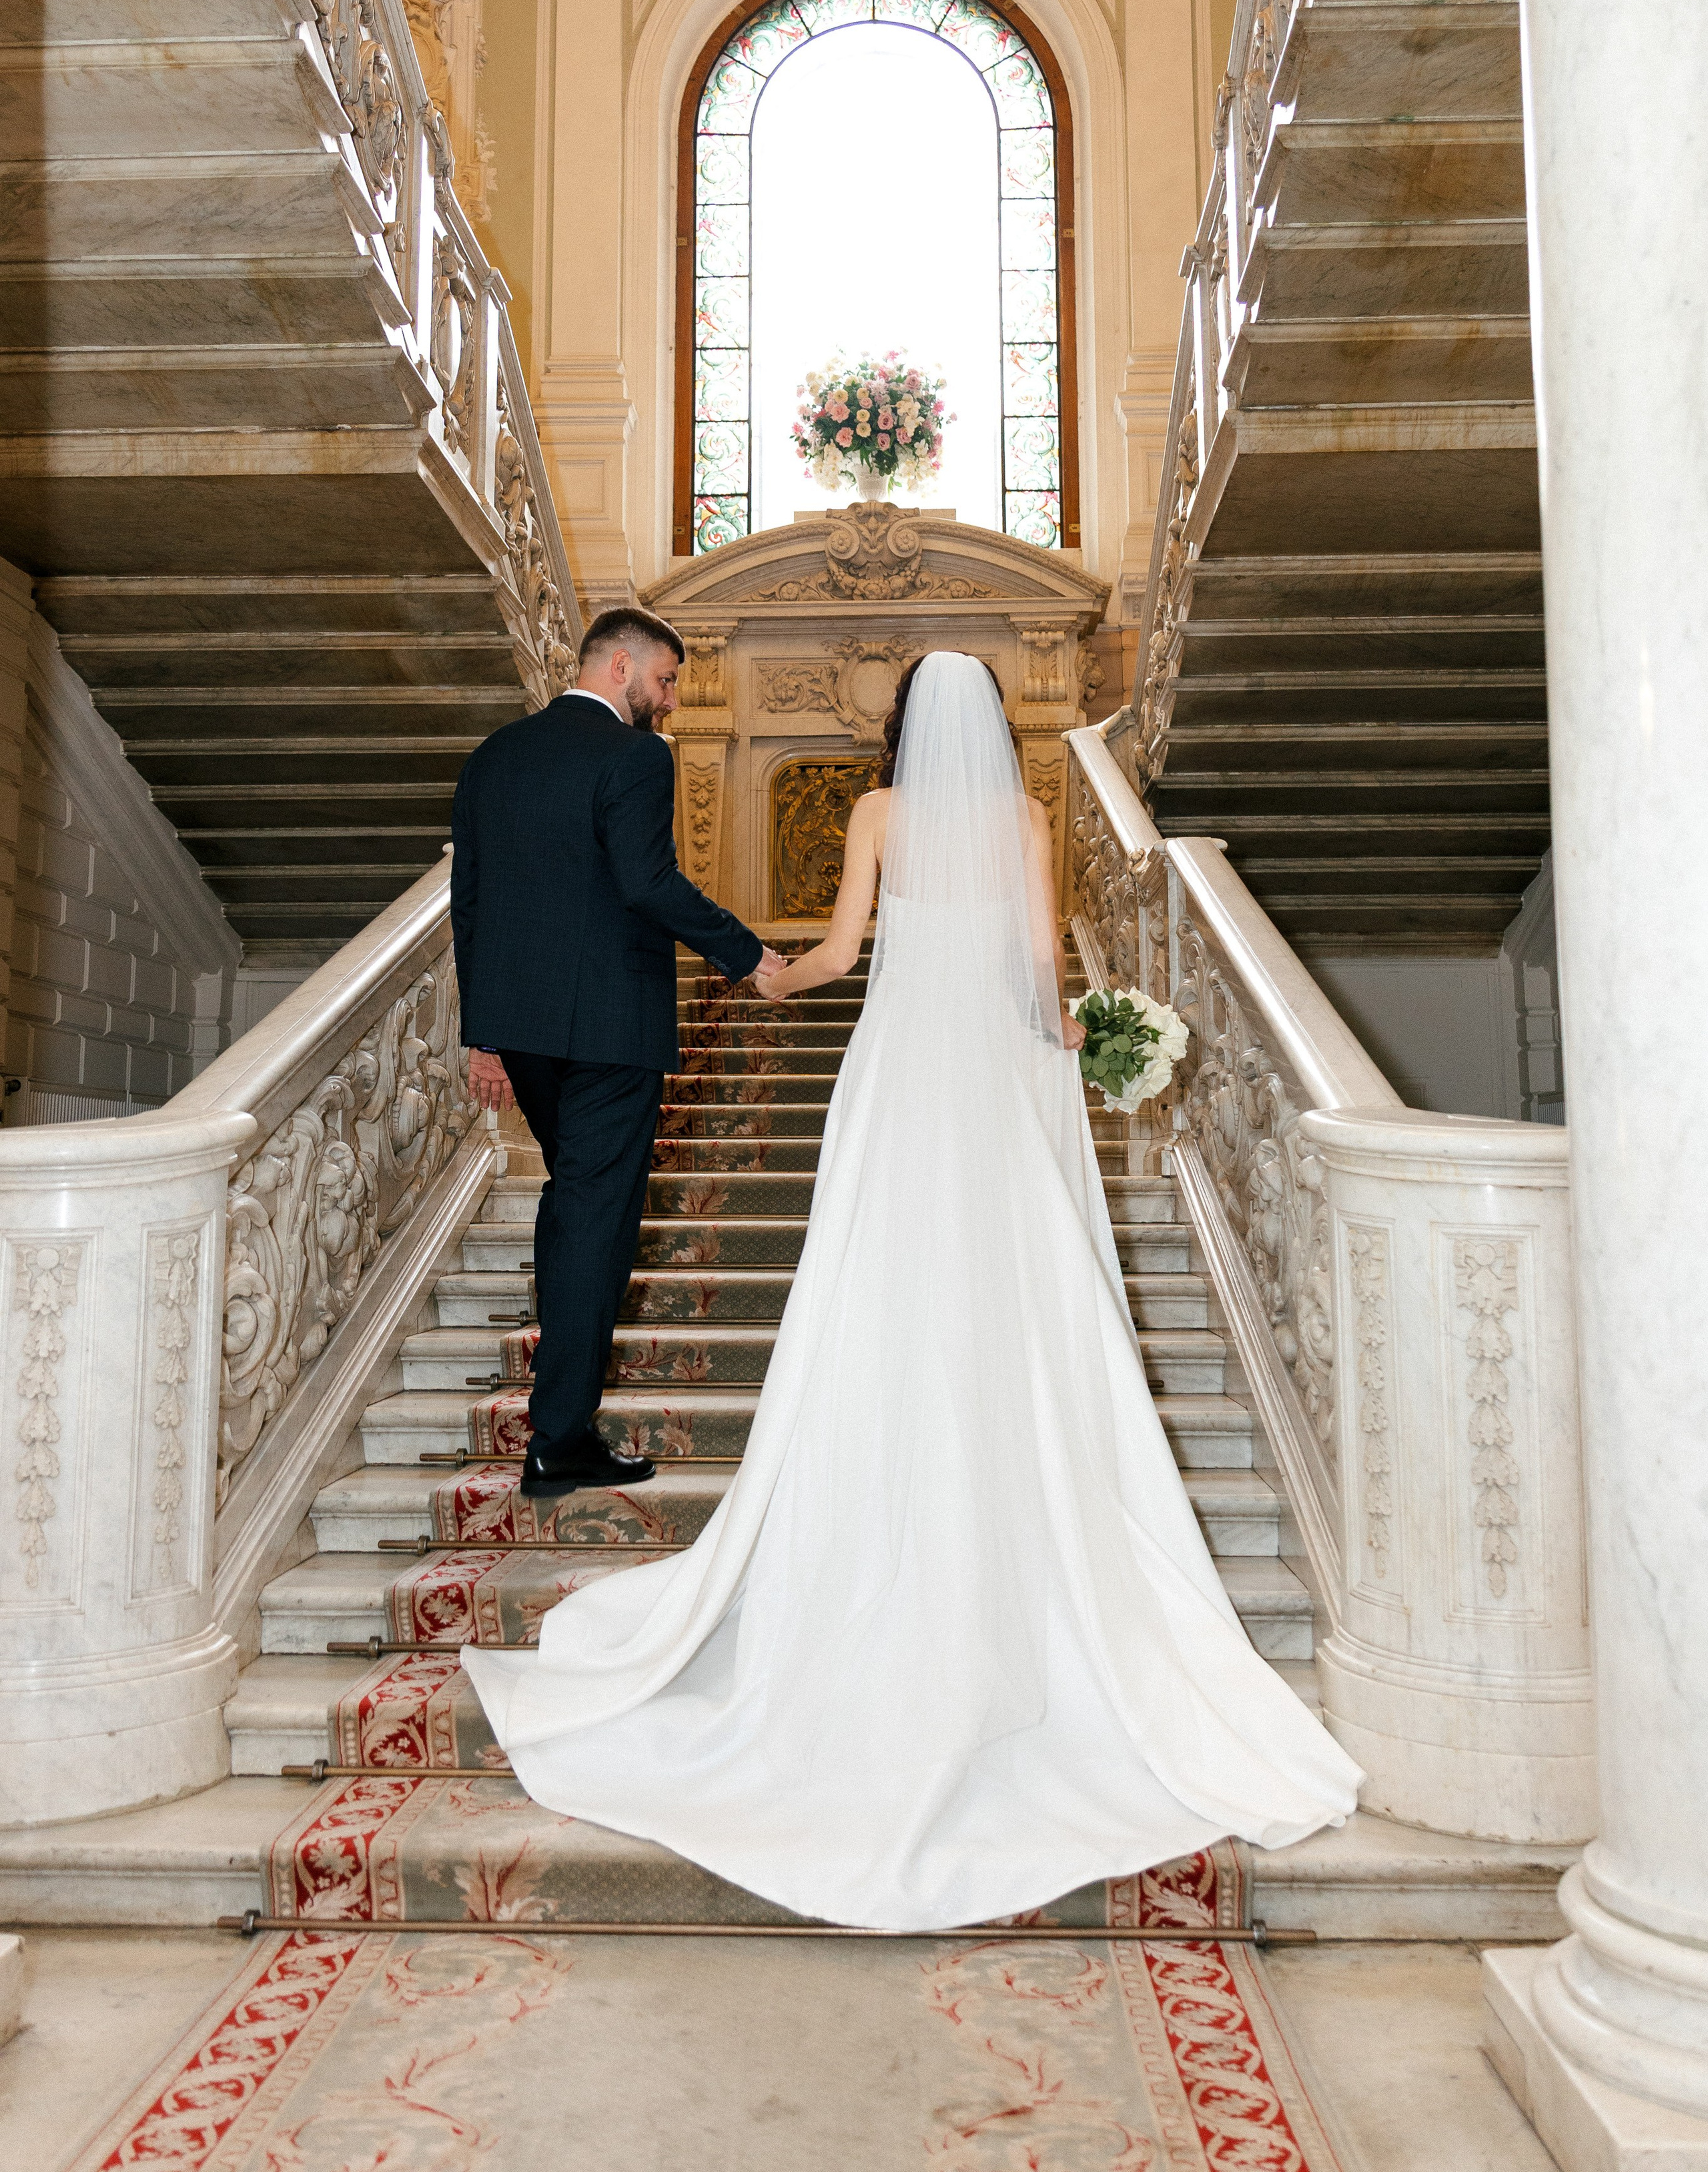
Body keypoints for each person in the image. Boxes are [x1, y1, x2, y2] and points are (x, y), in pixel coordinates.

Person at [463, 650, 1361, 1928]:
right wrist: (1081, 1038)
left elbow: (838, 953)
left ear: (902, 727)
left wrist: (769, 977)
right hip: (993, 1073)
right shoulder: (1027, 816)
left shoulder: (877, 815)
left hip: (894, 1075)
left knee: (875, 1293)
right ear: (994, 728)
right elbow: (1041, 962)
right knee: (1014, 1294)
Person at [450, 605, 778, 1503]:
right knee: (596, 1220)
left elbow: (468, 904)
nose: (669, 703)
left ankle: (560, 1424)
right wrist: (746, 955)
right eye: (666, 681)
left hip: (522, 1028)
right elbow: (646, 882)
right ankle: (558, 1441)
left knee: (572, 1207)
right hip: (608, 1027)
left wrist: (484, 1035)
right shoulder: (638, 756)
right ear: (621, 665)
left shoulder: (495, 756)